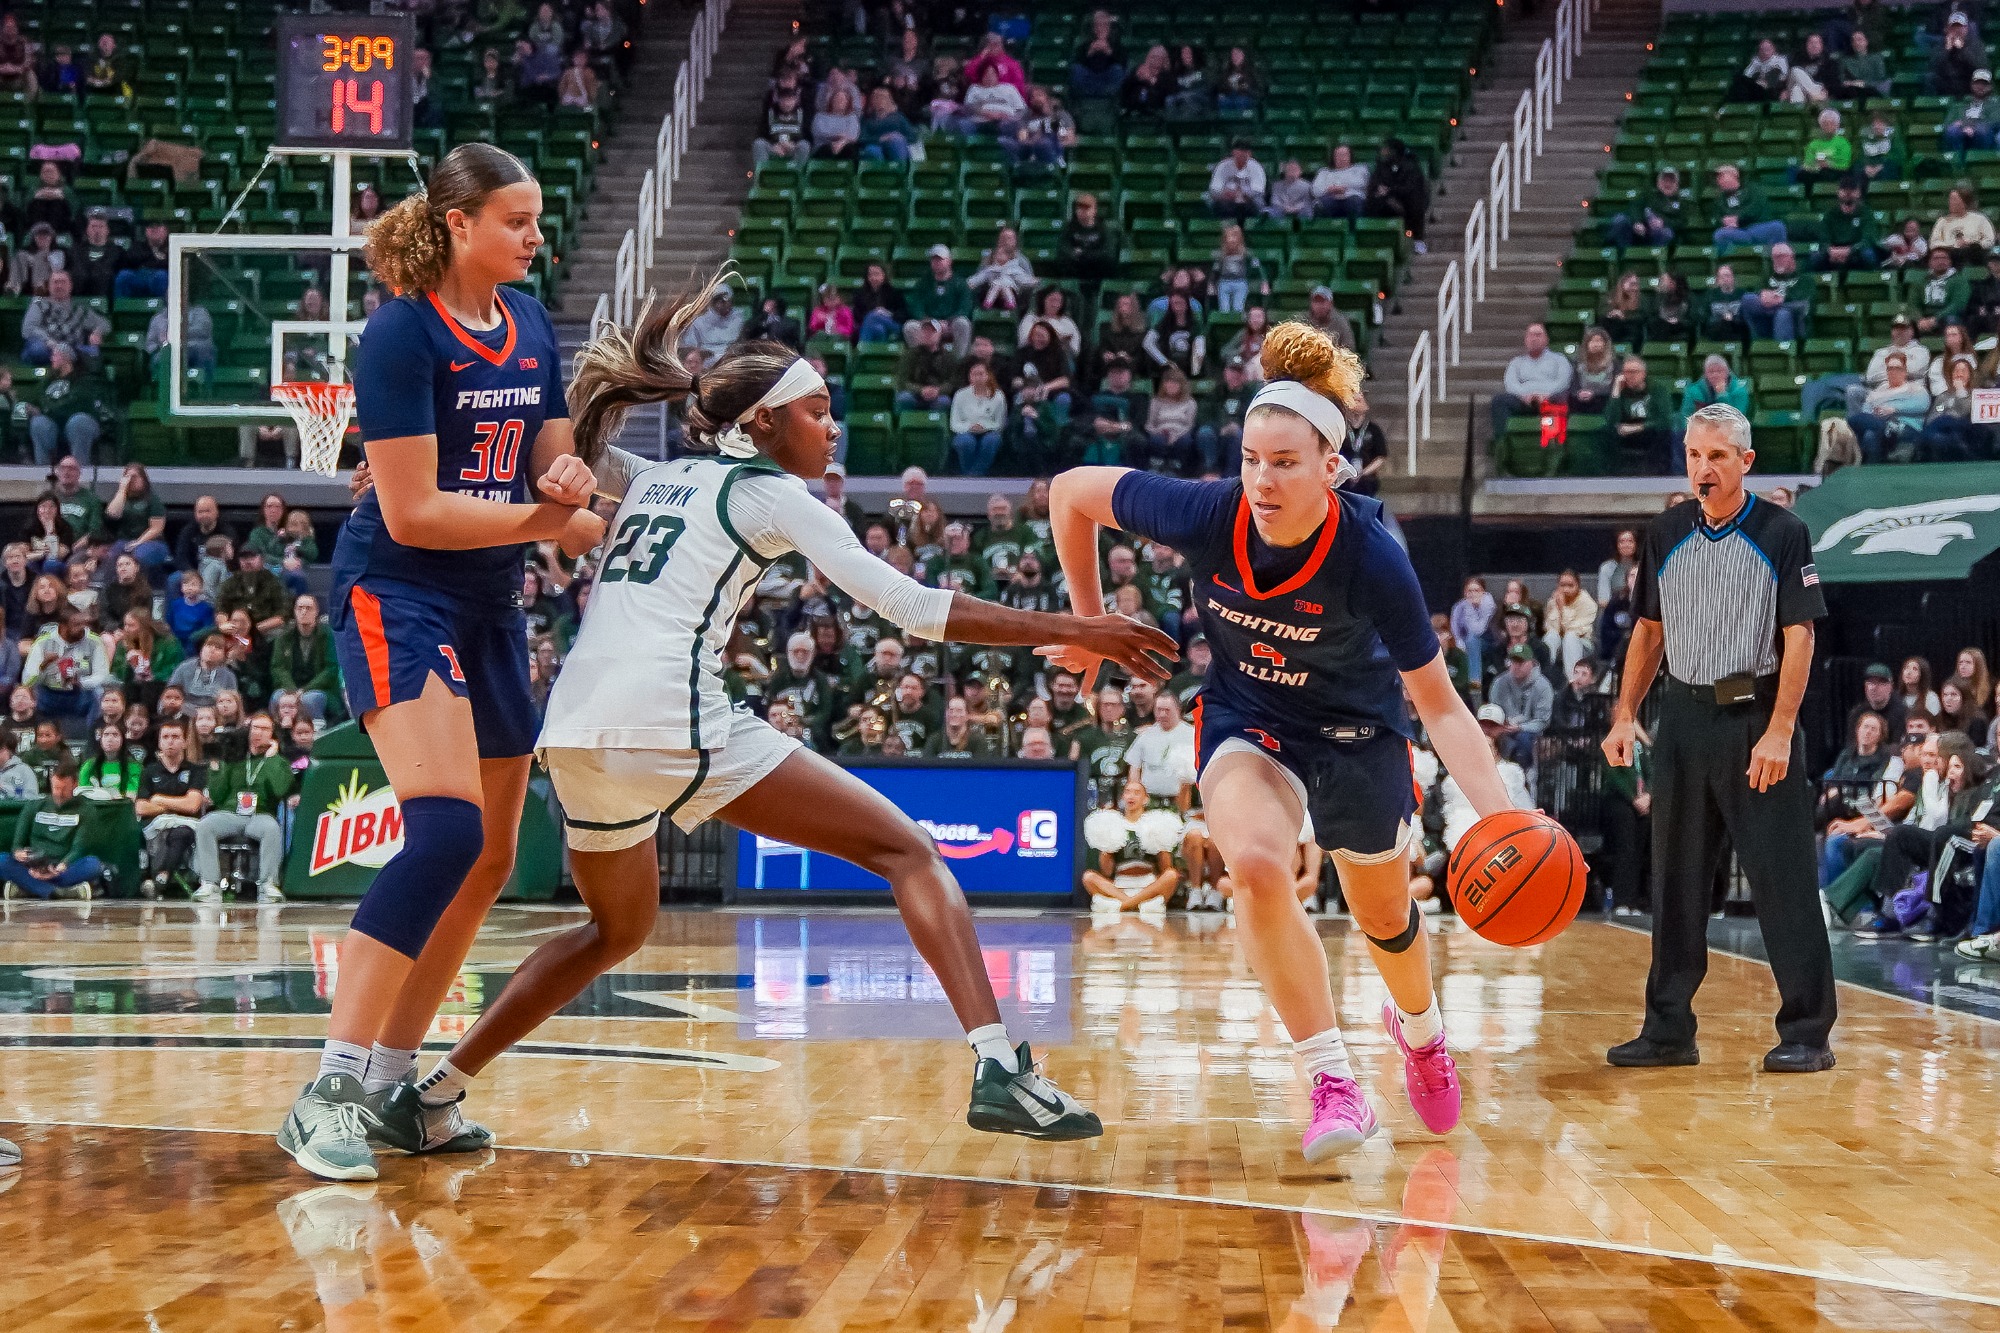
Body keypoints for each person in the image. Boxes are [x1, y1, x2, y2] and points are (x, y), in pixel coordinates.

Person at [385, 271, 1177, 1157]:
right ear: (761, 423)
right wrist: (1080, 628)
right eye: (817, 408)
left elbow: (568, 461)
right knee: (906, 850)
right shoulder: (766, 492)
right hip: (668, 714)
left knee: (619, 926)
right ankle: (1004, 1067)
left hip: (572, 730)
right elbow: (912, 607)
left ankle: (431, 1090)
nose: (831, 425)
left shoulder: (653, 477)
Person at [1045, 322, 1526, 1163]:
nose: (1263, 480)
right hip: (1248, 717)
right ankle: (1333, 1080)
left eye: (1286, 462)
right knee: (1259, 867)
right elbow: (1072, 490)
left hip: (1358, 730)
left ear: (1331, 467)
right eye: (1251, 460)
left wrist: (1503, 820)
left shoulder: (1373, 554)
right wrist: (1089, 623)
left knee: (1384, 915)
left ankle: (1420, 1031)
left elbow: (1443, 707)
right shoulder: (1210, 512)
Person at [272, 146, 607, 1184]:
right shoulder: (400, 333)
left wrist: (565, 471)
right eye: (517, 220)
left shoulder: (532, 324)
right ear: (459, 225)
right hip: (398, 591)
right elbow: (413, 508)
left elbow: (556, 453)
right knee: (445, 827)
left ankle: (389, 1086)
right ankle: (325, 1087)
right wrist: (552, 516)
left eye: (538, 219)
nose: (534, 237)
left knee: (493, 855)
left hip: (489, 600)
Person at [1602, 403, 1837, 1074]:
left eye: (1717, 457)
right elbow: (1648, 631)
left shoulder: (1783, 531)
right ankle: (1668, 1027)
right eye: (1694, 455)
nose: (1703, 468)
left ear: (1746, 463)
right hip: (1681, 718)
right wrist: (1625, 713)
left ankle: (1807, 1029)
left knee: (1782, 877)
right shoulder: (1666, 531)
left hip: (1754, 717)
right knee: (1673, 879)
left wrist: (1781, 729)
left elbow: (1801, 634)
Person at [193, 711, 293, 904]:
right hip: (230, 814)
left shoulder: (279, 762)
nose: (259, 732)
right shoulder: (235, 759)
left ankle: (268, 884)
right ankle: (210, 884)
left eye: (265, 729)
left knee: (271, 828)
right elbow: (217, 796)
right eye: (255, 727)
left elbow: (281, 789)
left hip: (260, 815)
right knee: (205, 825)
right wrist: (216, 768)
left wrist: (272, 758)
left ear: (273, 734)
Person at [0, 760, 100, 902]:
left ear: (75, 784)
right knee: (2, 860)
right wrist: (19, 854)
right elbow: (17, 845)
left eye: (64, 789)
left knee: (92, 864)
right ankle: (56, 892)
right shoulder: (34, 805)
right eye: (55, 788)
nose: (58, 794)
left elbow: (79, 848)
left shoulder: (86, 809)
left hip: (63, 866)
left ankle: (31, 888)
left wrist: (61, 867)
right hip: (34, 866)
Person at [1081, 777, 1182, 914]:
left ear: (1145, 799)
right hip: (1120, 884)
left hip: (1147, 883)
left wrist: (1163, 848)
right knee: (1089, 877)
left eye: (1136, 792)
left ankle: (1123, 905)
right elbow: (1107, 871)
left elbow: (1165, 868)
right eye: (1127, 792)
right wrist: (1106, 849)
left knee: (1171, 875)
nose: (1131, 796)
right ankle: (1136, 904)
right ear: (1123, 797)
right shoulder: (1112, 823)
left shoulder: (1156, 823)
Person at [135, 716, 204, 899]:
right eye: (165, 737)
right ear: (159, 742)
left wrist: (158, 799)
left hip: (186, 825)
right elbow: (141, 807)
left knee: (180, 833)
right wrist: (173, 807)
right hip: (154, 826)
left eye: (175, 737)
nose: (170, 741)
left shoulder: (196, 770)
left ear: (184, 742)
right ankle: (147, 879)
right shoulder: (149, 771)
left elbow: (192, 805)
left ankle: (160, 878)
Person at [1490, 324, 1573, 445]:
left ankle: (1555, 447)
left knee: (1563, 399)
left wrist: (1545, 395)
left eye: (1538, 335)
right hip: (1524, 401)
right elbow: (1510, 383)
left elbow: (1563, 381)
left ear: (1546, 339)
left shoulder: (1559, 360)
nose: (1534, 339)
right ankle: (1503, 443)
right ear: (1526, 340)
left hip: (1550, 400)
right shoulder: (1516, 362)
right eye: (1530, 335)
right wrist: (1525, 396)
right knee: (1499, 401)